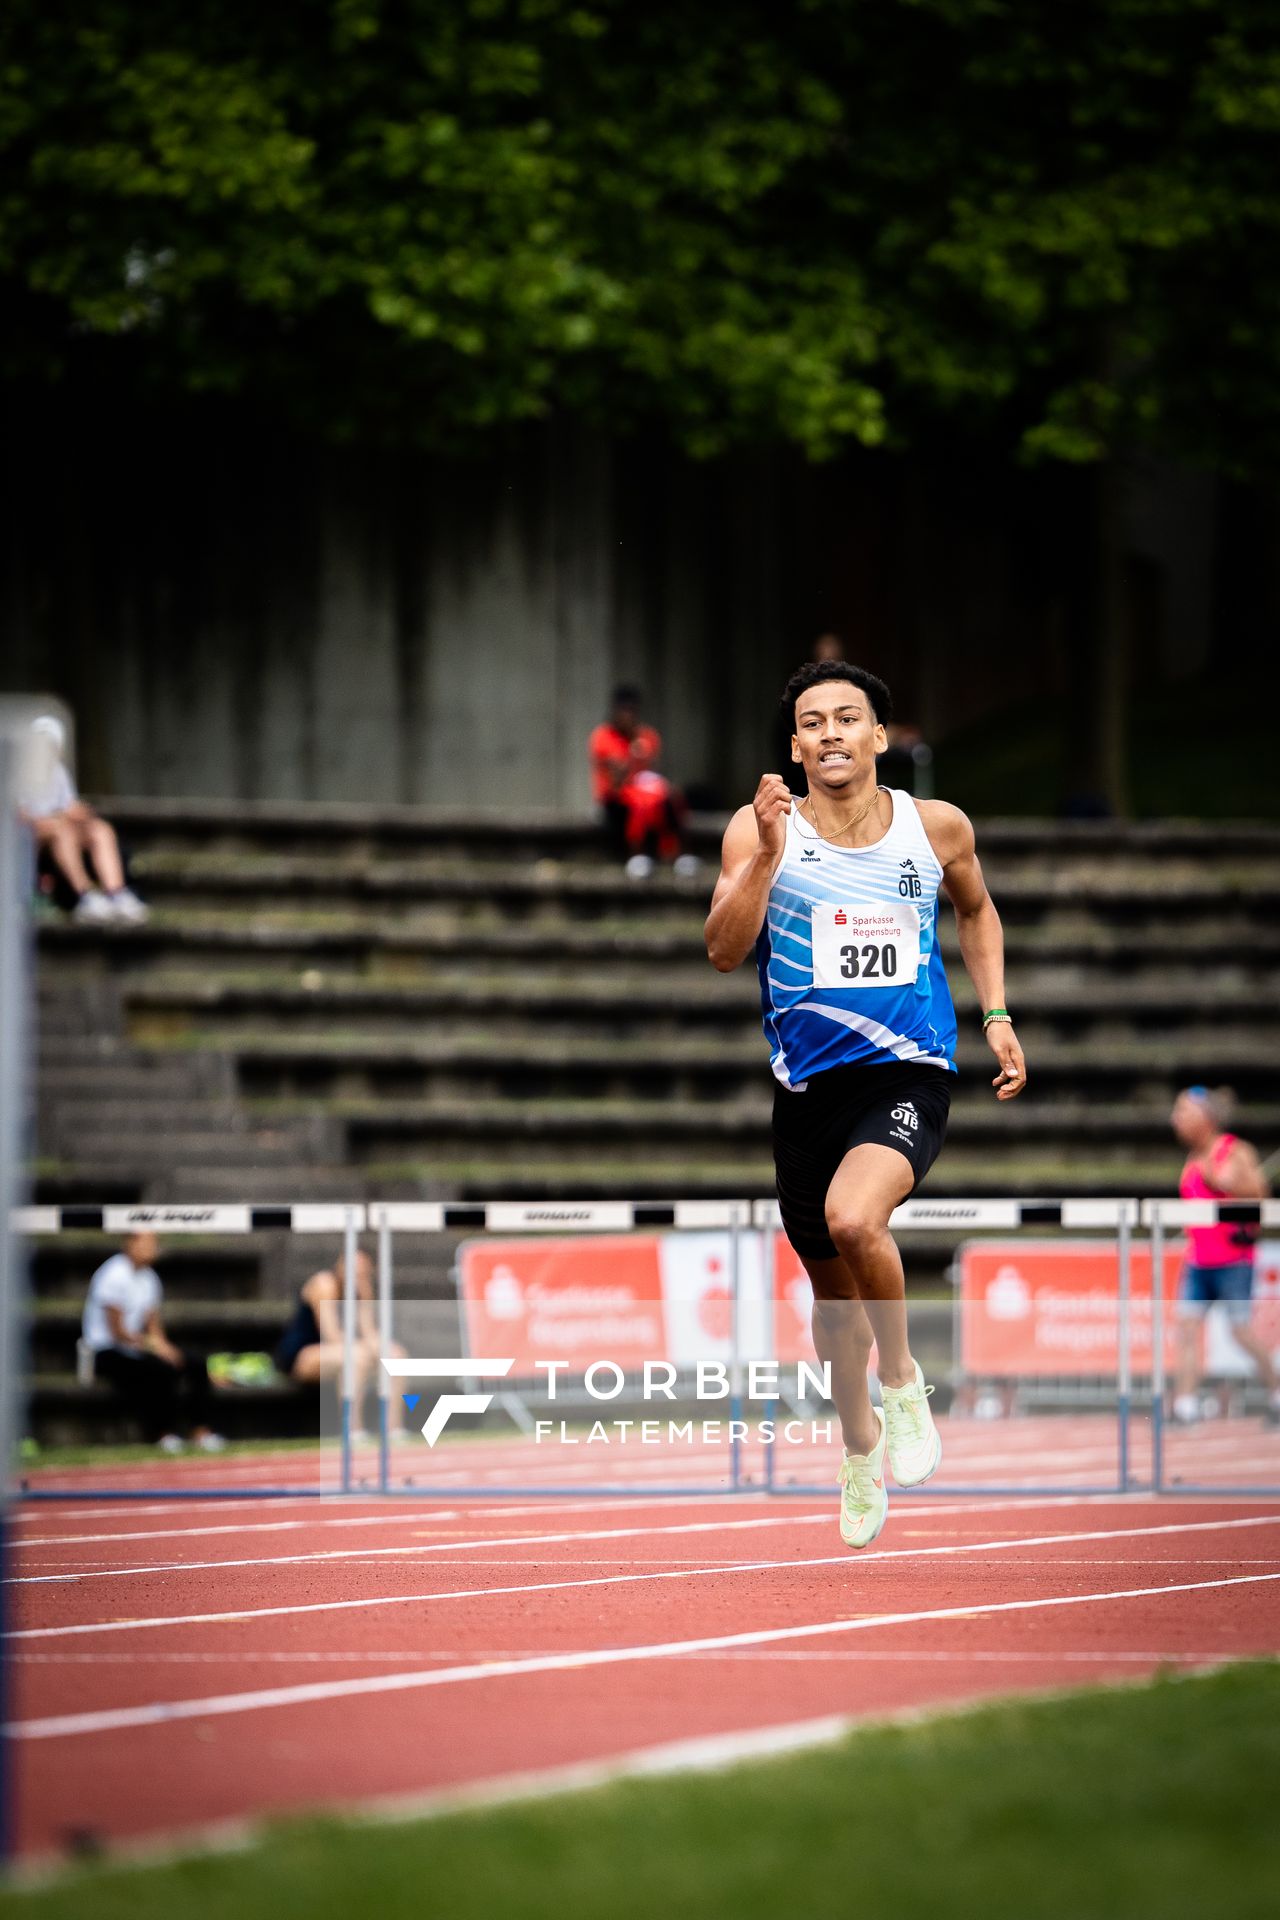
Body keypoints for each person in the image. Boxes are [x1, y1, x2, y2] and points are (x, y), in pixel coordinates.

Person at [705, 658, 1026, 1549]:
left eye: (849, 718)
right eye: (813, 722)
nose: (831, 734)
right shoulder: (758, 828)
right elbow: (725, 951)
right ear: (795, 746)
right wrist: (767, 858)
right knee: (834, 1319)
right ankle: (858, 1448)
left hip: (908, 1071)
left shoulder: (937, 828)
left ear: (880, 736)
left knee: (856, 1219)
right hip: (807, 1089)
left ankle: (905, 1383)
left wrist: (996, 1013)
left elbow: (978, 912)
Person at [1170, 1086, 1278, 1424]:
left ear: (1205, 1118)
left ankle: (1277, 1393)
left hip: (1233, 1261)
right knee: (1187, 1330)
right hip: (1198, 1261)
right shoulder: (1191, 1159)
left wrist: (1226, 1183)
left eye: (1183, 1112)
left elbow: (1261, 1194)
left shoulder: (1234, 1151)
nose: (1176, 1120)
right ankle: (1184, 1407)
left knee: (1241, 1331)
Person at [82, 1233, 225, 1452]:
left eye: (154, 1243)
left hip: (137, 1347)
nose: (152, 1248)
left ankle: (201, 1431)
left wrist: (166, 1348)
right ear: (130, 1243)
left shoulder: (149, 1278)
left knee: (195, 1363)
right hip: (107, 1350)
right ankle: (163, 1433)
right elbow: (118, 1332)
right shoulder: (113, 1274)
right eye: (147, 1243)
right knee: (160, 1369)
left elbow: (153, 1325)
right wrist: (155, 1348)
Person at [18, 715, 148, 925]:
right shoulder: (18, 772)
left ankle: (116, 895)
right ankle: (85, 897)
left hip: (58, 830)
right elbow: (20, 817)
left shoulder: (59, 772)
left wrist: (82, 815)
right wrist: (59, 818)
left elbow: (69, 805)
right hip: (29, 835)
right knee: (61, 829)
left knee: (100, 829)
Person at [274, 1247, 408, 1441]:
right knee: (357, 1358)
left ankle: (393, 1428)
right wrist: (369, 1349)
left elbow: (369, 1332)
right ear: (341, 1265)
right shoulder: (325, 1284)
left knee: (396, 1356)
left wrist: (385, 1350)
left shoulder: (361, 1288)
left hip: (345, 1350)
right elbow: (331, 1335)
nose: (357, 1274)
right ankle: (353, 1429)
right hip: (304, 1355)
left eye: (362, 1271)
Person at [588, 686, 697, 880]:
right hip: (616, 798)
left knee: (671, 797)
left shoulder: (647, 735)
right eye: (623, 711)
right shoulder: (602, 737)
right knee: (639, 804)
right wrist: (633, 754)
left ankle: (680, 856)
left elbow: (650, 771)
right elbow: (617, 777)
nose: (628, 716)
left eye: (632, 711)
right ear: (615, 712)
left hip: (644, 793)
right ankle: (637, 856)